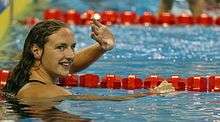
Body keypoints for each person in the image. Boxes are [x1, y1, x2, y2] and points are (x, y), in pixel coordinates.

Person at [2, 19, 149, 103]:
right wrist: (152, 93)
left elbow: (71, 63)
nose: (71, 55)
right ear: (36, 51)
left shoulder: (22, 73)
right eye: (61, 47)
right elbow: (107, 100)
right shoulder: (44, 91)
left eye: (72, 47)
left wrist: (102, 47)